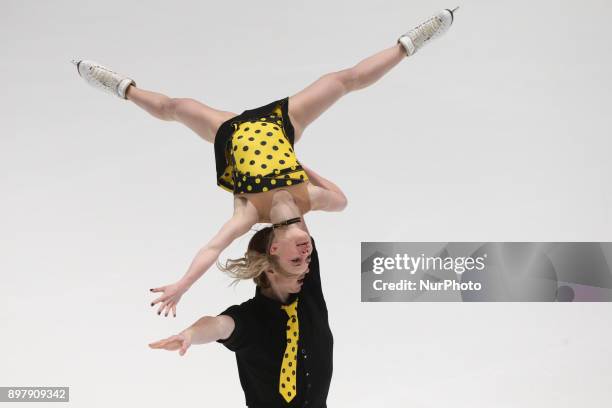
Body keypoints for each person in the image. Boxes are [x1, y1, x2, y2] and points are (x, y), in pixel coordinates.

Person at [71, 8, 459, 317]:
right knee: (343, 80)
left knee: (175, 107)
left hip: (231, 131)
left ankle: (122, 87)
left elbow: (211, 249)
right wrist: (304, 169)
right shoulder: (309, 199)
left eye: (295, 257)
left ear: (273, 251)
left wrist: (183, 285)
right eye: (306, 258)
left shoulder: (248, 214)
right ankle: (412, 42)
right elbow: (342, 201)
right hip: (280, 123)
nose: (305, 253)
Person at [149, 232, 333, 408]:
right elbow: (218, 325)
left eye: (307, 259)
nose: (306, 267)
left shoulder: (309, 290)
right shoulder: (249, 318)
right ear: (269, 268)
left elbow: (295, 221)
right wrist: (189, 334)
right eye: (295, 261)